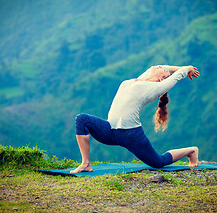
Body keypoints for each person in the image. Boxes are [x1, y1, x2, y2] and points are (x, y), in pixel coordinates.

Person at [71, 64, 200, 173]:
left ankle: (191, 151)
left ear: (162, 79)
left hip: (131, 134)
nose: (160, 66)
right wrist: (178, 67)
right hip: (110, 130)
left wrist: (186, 68)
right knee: (82, 119)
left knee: (158, 162)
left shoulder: (155, 88)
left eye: (164, 70)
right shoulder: (138, 80)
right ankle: (86, 163)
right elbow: (163, 67)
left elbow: (175, 77)